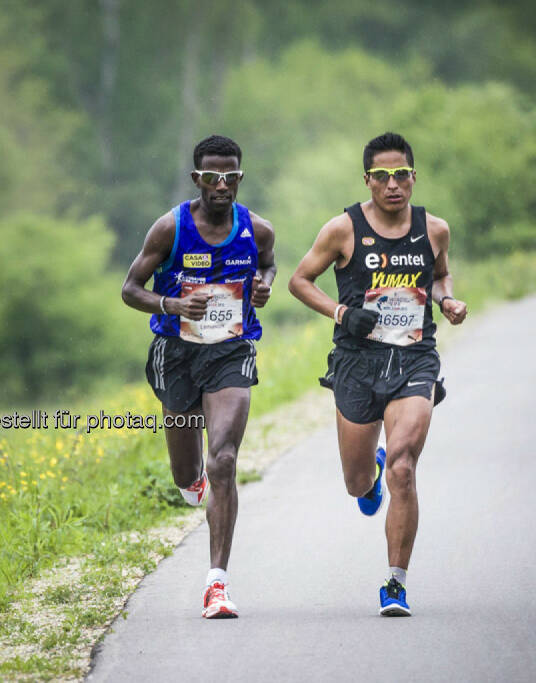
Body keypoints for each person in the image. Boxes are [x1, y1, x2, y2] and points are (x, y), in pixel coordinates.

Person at [288, 132, 468, 616]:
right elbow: (299, 281)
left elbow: (439, 274)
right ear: (368, 180)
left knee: (404, 468)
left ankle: (395, 583)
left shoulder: (434, 229)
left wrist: (446, 299)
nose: (394, 185)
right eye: (383, 176)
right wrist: (342, 314)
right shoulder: (341, 230)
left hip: (414, 358)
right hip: (356, 363)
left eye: (402, 174)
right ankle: (369, 478)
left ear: (414, 177)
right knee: (356, 483)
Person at [122, 134, 276, 619]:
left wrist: (264, 286)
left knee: (224, 459)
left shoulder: (257, 229)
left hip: (230, 351)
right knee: (189, 477)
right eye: (212, 177)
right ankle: (200, 492)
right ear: (197, 179)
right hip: (178, 355)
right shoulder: (170, 228)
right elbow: (130, 288)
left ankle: (217, 585)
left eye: (231, 176)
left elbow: (268, 266)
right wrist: (172, 303)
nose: (222, 185)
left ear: (239, 177)